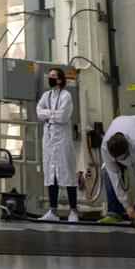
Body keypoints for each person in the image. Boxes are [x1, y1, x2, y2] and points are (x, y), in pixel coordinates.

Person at [36, 67, 79, 223]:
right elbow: (39, 112)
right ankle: (52, 211)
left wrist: (49, 115)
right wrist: (50, 114)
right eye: (50, 75)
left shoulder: (66, 95)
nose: (50, 78)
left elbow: (63, 116)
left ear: (60, 79)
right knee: (50, 174)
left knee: (67, 173)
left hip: (62, 140)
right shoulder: (46, 95)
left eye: (53, 76)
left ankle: (73, 211)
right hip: (48, 141)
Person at [97, 114, 135, 228]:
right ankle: (114, 213)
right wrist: (126, 205)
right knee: (107, 173)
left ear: (128, 149)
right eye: (117, 159)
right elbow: (114, 176)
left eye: (122, 158)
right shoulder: (105, 147)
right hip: (121, 123)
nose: (121, 161)